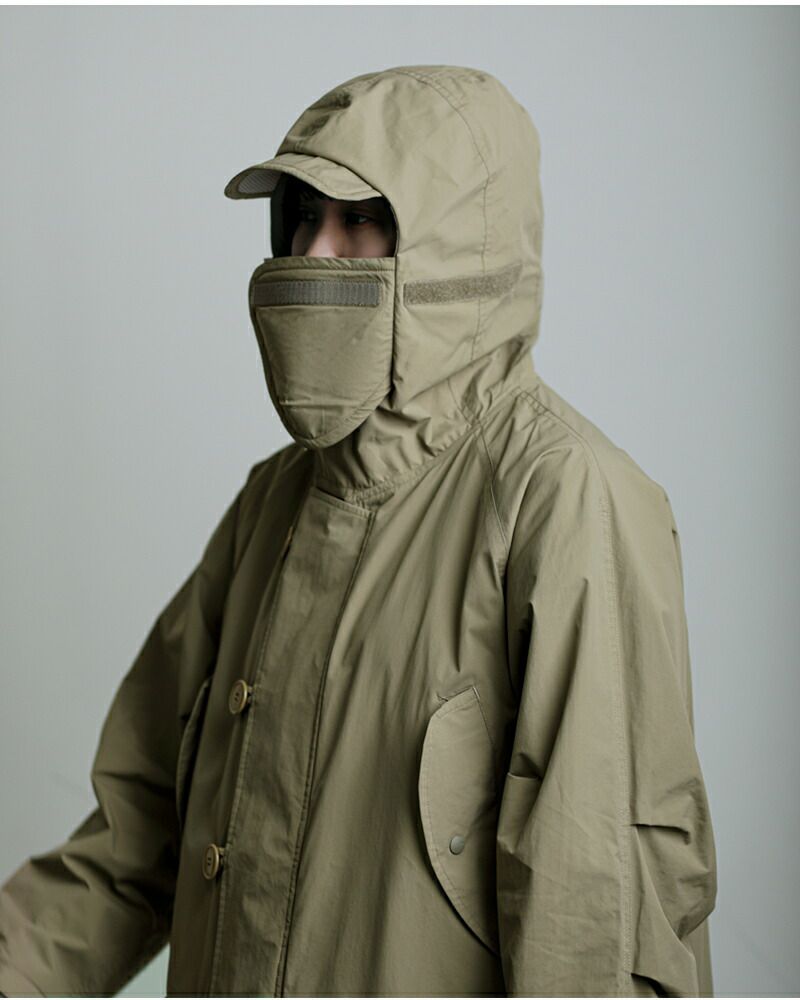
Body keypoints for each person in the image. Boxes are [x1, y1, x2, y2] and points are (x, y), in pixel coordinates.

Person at [0, 64, 716, 998]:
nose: (317, 251)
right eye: (303, 216)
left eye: (363, 220)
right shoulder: (274, 503)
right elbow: (132, 838)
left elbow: (590, 925)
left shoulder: (566, 501)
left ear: (456, 250)